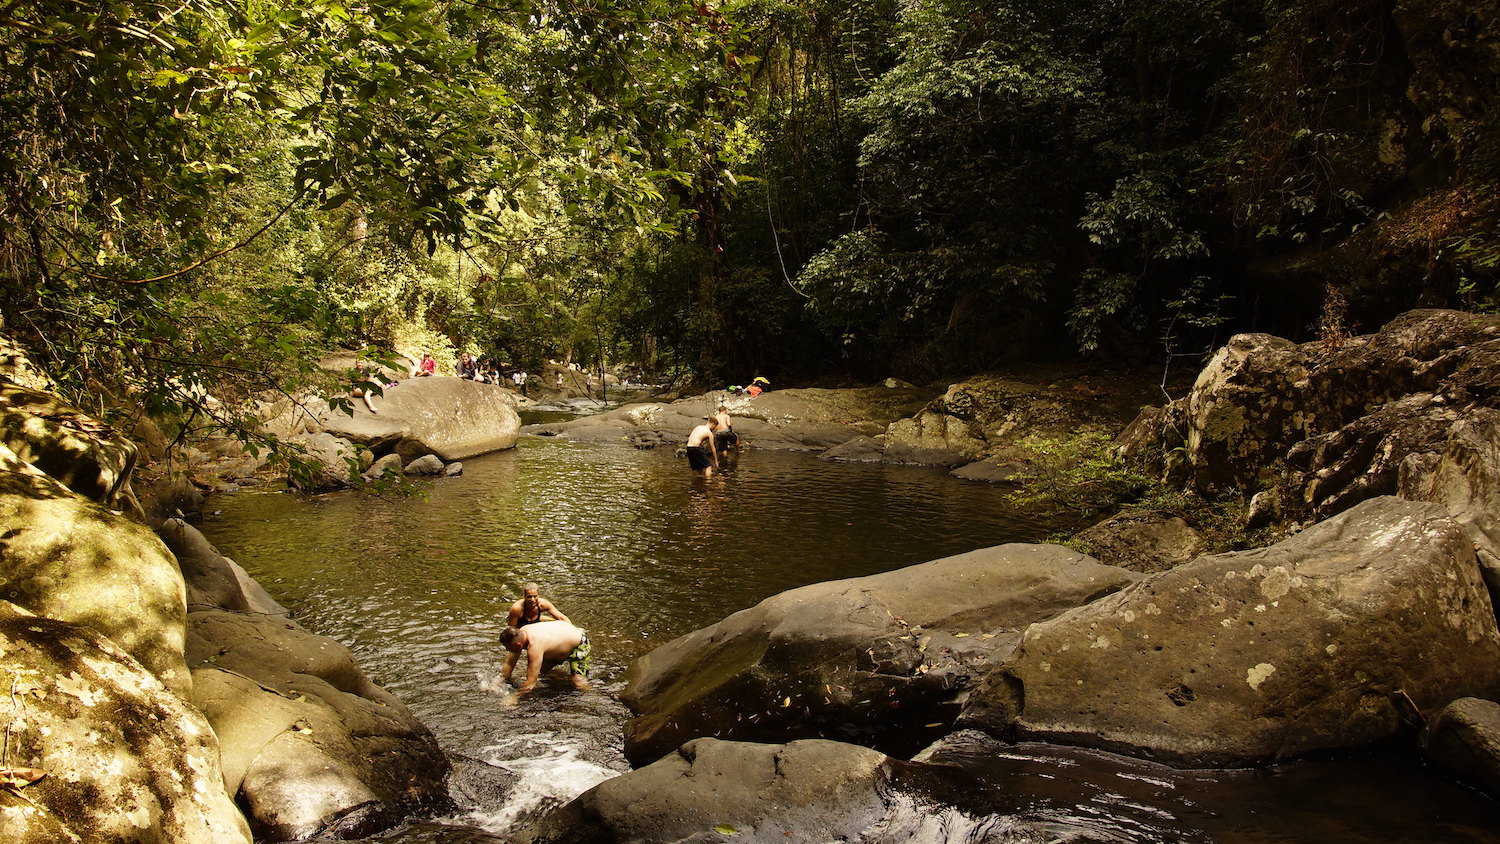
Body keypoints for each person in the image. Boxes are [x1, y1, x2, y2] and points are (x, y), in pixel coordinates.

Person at [499, 620, 591, 693]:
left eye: (508, 648)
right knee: (541, 673)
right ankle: (560, 677)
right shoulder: (522, 632)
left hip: (578, 643)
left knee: (578, 683)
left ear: (518, 645)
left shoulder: (534, 647)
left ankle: (592, 696)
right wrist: (499, 681)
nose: (508, 651)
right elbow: (509, 663)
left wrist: (514, 697)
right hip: (559, 641)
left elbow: (531, 683)